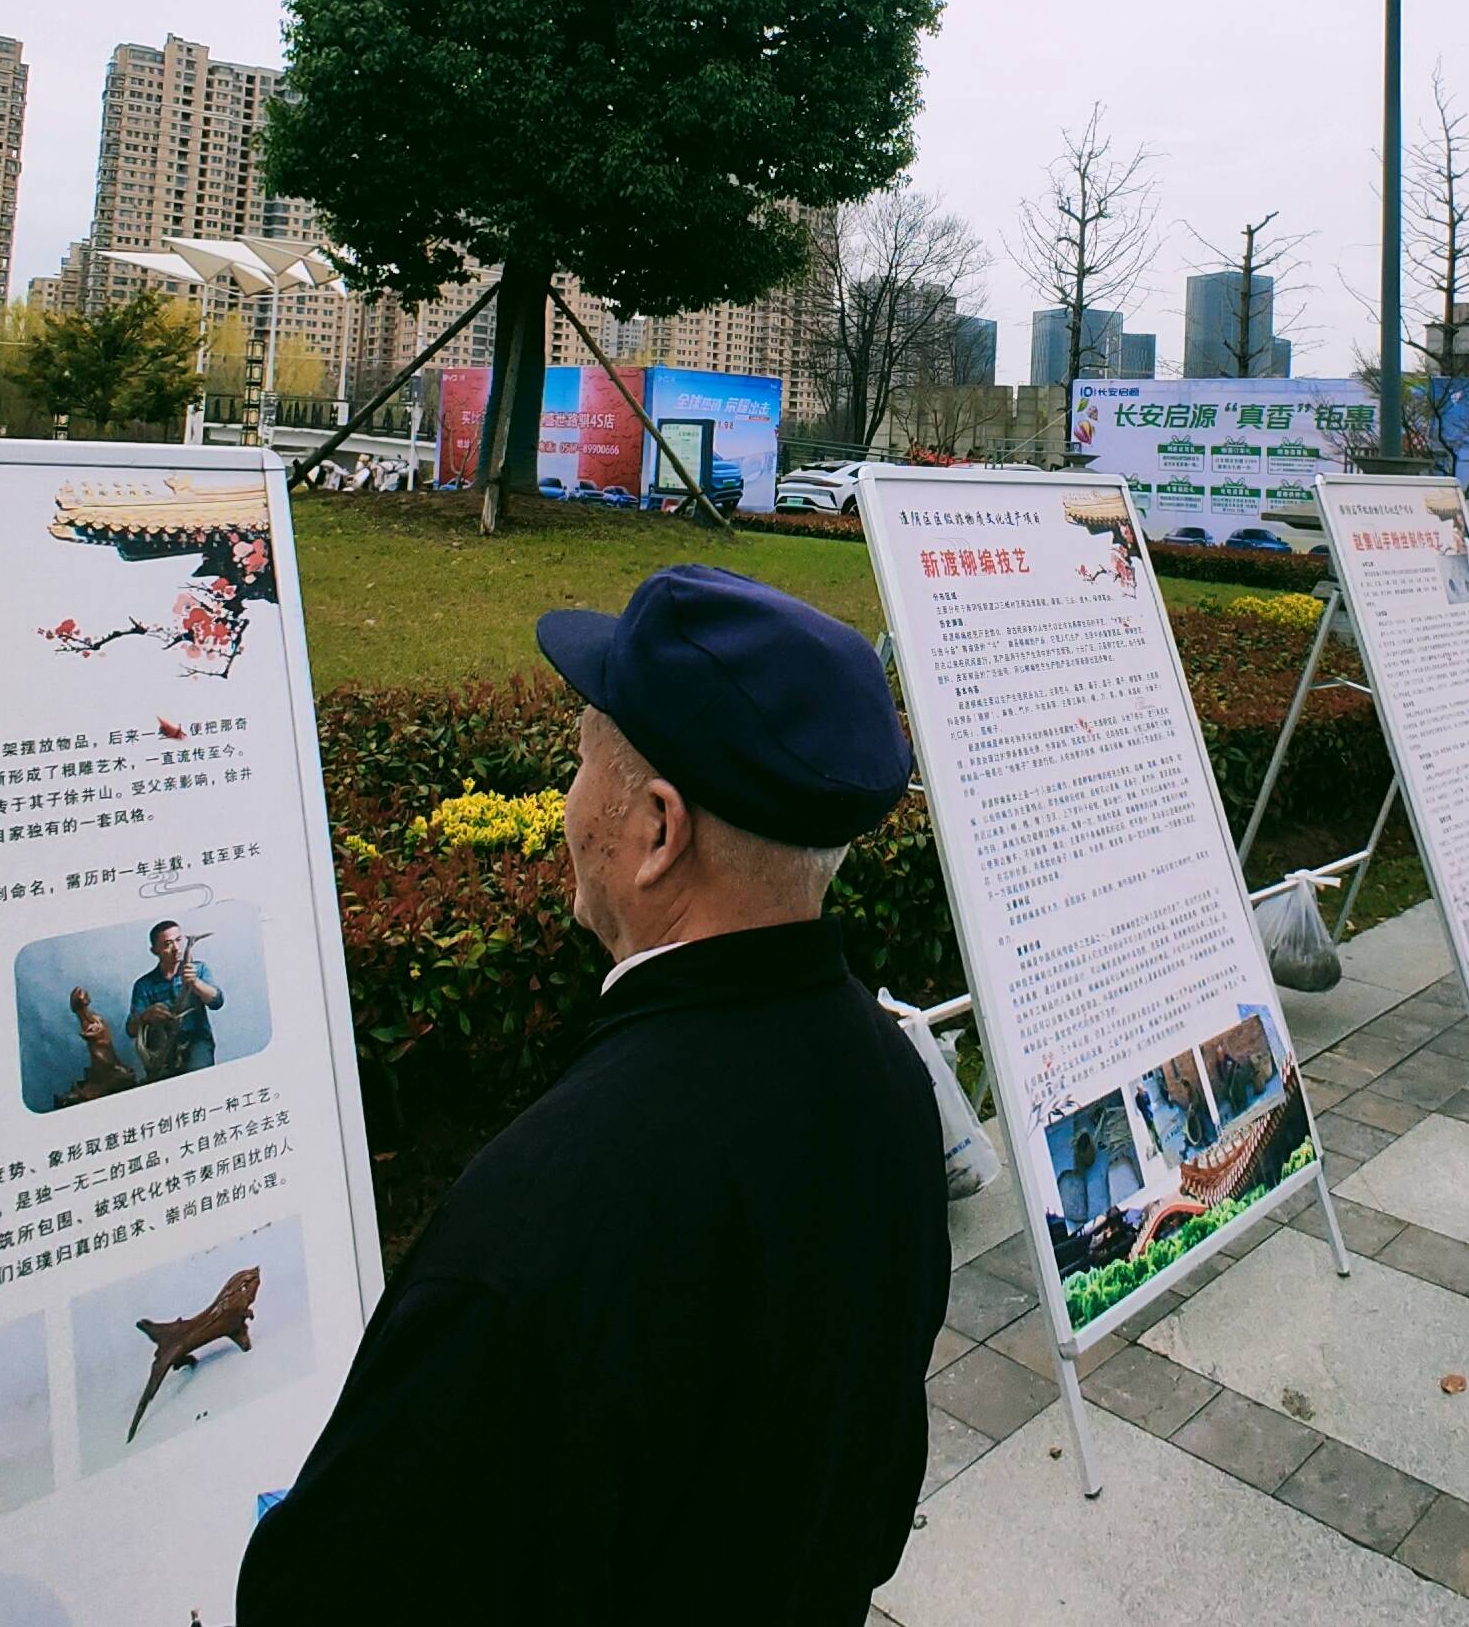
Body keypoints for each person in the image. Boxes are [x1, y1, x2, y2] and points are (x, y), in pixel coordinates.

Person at [238, 565, 946, 1626]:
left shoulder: (543, 1216)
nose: (569, 805)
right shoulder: (892, 1084)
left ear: (659, 832)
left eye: (579, 763)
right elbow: (879, 1495)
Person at [131, 919, 224, 1070]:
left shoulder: (199, 969)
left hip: (197, 1041)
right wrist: (146, 1016)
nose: (176, 948)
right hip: (163, 1048)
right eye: (167, 944)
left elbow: (217, 1002)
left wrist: (195, 982)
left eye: (179, 940)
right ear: (154, 950)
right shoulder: (143, 985)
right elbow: (131, 1030)